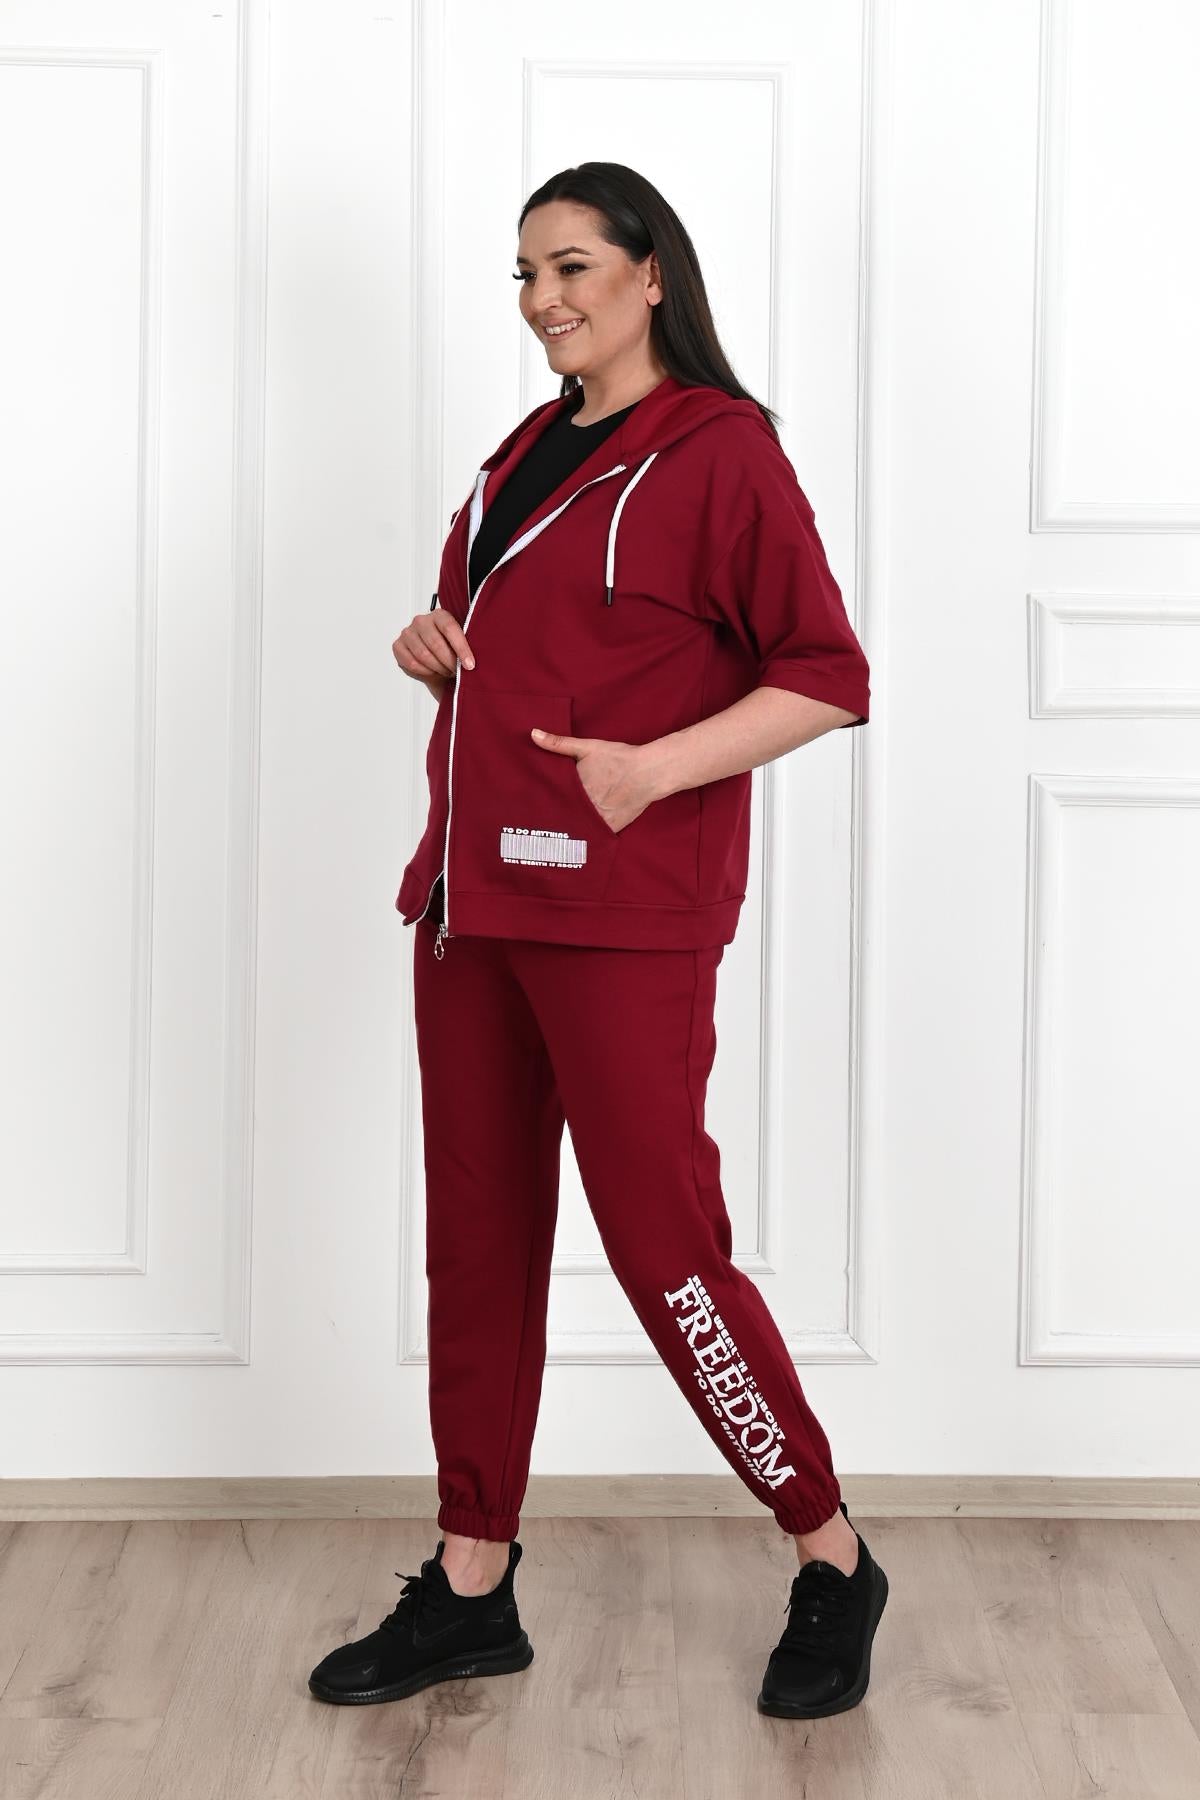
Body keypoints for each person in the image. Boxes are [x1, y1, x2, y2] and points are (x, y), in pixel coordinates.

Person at [309, 162, 888, 1721]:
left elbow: (826, 675)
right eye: (524, 273)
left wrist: (658, 769)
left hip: (620, 916)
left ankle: (829, 1551)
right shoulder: (520, 453)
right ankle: (471, 1582)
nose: (543, 298)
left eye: (570, 265)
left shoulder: (720, 452)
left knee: (662, 1247)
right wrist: (438, 651)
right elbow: (536, 650)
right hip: (471, 908)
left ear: (650, 274)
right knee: (477, 1245)